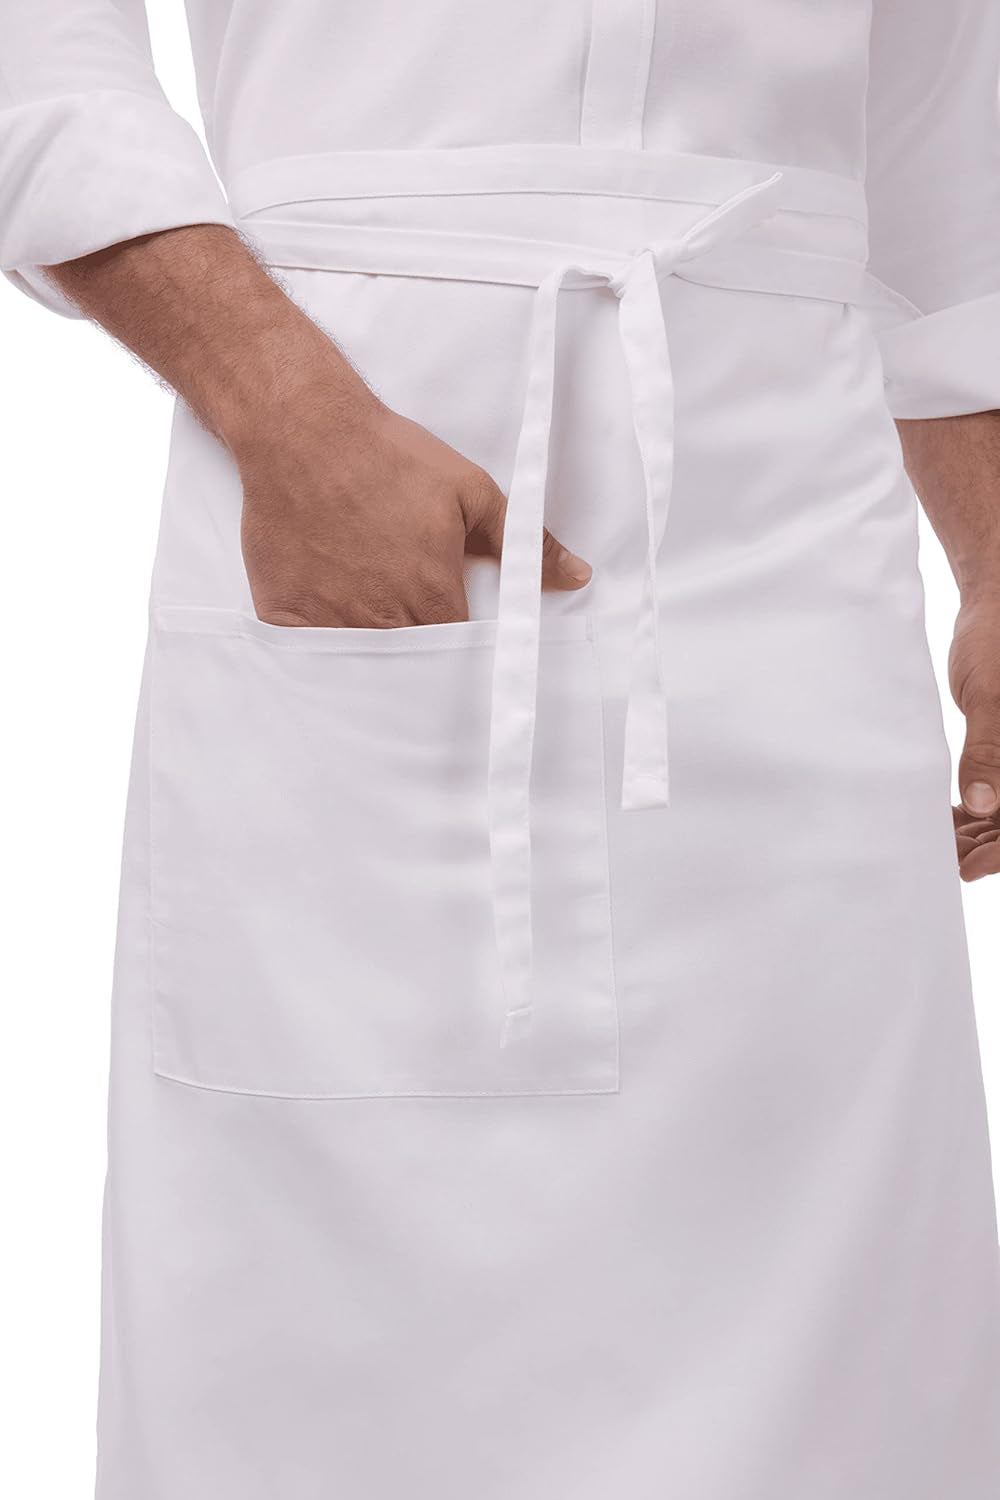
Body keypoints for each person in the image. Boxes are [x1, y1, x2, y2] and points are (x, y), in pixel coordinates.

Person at [2, 3, 999, 1496]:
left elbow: (950, 151)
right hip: (363, 467)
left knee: (839, 1302)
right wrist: (288, 413)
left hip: (796, 560)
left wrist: (993, 559)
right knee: (328, 1339)